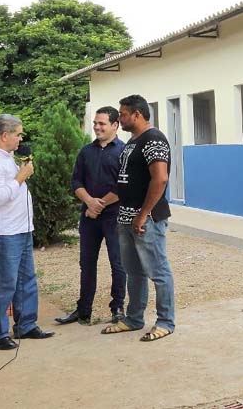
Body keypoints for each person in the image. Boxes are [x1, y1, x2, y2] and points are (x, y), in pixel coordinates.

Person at [0, 114, 54, 350]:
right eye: (18, 134)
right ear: (4, 135)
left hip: (19, 228)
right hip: (4, 231)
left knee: (26, 279)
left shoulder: (4, 156)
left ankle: (26, 325)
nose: (21, 139)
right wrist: (21, 176)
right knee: (4, 284)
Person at [101, 95, 175, 341]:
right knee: (134, 271)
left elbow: (160, 179)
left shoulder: (153, 139)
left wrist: (143, 215)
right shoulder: (133, 141)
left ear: (137, 114)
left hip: (147, 220)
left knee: (158, 270)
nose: (119, 118)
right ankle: (134, 319)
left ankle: (165, 322)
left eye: (123, 114)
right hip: (126, 218)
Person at [55, 107, 127, 326]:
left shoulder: (124, 152)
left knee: (118, 263)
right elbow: (76, 181)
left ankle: (117, 309)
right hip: (88, 217)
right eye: (95, 123)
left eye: (102, 123)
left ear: (115, 125)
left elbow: (124, 186)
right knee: (86, 264)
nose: (97, 127)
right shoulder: (86, 151)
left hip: (114, 217)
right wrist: (89, 202)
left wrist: (98, 205)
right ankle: (83, 310)